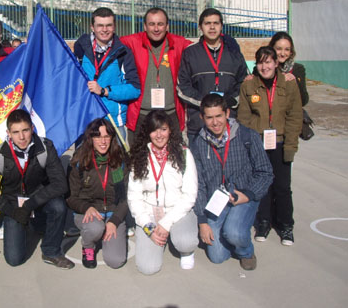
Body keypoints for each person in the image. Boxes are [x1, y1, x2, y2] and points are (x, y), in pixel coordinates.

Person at [0, 109, 74, 269]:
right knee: (14, 260)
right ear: (8, 133)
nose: (21, 137)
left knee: (58, 206)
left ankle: (51, 251)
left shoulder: (45, 148)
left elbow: (60, 184)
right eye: (16, 132)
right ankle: (16, 222)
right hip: (13, 205)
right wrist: (10, 210)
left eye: (25, 130)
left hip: (38, 199)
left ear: (32, 128)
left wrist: (30, 204)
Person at [192, 94, 273, 271]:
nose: (215, 123)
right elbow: (198, 185)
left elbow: (265, 172)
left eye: (219, 116)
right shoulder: (198, 143)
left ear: (227, 113)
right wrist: (202, 221)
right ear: (202, 118)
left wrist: (249, 195)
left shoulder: (247, 136)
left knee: (234, 233)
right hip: (217, 201)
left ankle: (245, 251)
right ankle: (231, 233)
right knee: (217, 256)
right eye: (209, 117)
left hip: (243, 195)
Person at [238, 46, 302, 246]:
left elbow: (294, 117)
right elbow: (244, 117)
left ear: (276, 63)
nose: (264, 66)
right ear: (255, 65)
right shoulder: (248, 86)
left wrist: (291, 146)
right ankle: (264, 222)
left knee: (282, 187)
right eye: (260, 62)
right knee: (262, 186)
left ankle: (285, 225)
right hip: (258, 143)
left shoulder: (289, 84)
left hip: (281, 142)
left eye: (268, 62)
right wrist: (249, 144)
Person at [128, 110, 198, 274]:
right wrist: (148, 226)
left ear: (170, 130)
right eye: (154, 130)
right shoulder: (139, 156)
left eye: (163, 129)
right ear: (148, 133)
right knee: (148, 268)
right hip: (150, 211)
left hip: (178, 210)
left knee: (185, 241)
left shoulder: (184, 154)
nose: (159, 135)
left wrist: (166, 224)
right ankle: (158, 238)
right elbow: (134, 197)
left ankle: (186, 251)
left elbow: (189, 195)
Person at [178, 8, 248, 146]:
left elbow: (244, 82)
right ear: (200, 27)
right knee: (199, 166)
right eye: (207, 23)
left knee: (230, 165)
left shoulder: (234, 52)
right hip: (198, 123)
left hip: (228, 121)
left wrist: (231, 100)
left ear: (221, 26)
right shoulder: (190, 53)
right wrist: (206, 103)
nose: (212, 27)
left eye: (215, 23)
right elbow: (182, 87)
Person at [121, 7, 191, 143]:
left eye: (160, 24)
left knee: (173, 160)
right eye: (152, 24)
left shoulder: (178, 43)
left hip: (170, 114)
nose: (156, 28)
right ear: (145, 26)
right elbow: (107, 40)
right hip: (141, 114)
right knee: (138, 160)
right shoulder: (132, 42)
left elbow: (203, 45)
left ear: (167, 26)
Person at [67, 118, 128, 269]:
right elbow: (70, 196)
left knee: (115, 261)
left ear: (112, 138)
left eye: (107, 136)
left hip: (113, 213)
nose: (103, 141)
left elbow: (125, 197)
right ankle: (87, 246)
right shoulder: (80, 160)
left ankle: (107, 230)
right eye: (98, 136)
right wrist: (86, 207)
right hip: (88, 212)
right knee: (95, 228)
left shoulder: (119, 160)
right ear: (90, 138)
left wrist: (115, 221)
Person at [74, 7, 140, 139]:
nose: (104, 30)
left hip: (113, 123)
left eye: (109, 25)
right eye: (100, 26)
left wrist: (105, 91)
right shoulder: (81, 49)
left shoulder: (123, 52)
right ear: (92, 27)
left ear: (114, 27)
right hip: (86, 120)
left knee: (116, 160)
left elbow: (134, 89)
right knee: (85, 159)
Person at [268, 32, 309, 107]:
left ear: (291, 52)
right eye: (278, 49)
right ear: (271, 49)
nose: (283, 54)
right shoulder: (264, 68)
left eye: (287, 49)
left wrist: (295, 82)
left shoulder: (297, 69)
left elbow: (304, 100)